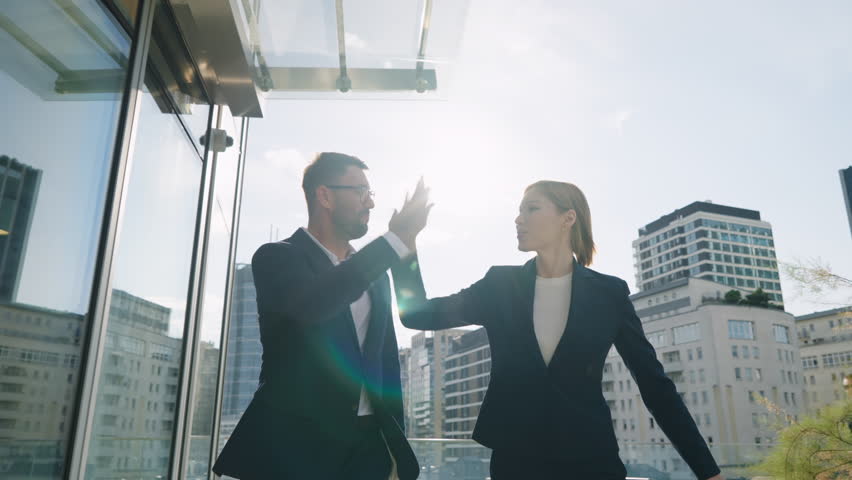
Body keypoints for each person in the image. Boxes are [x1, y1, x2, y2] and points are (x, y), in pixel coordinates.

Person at [391, 180, 724, 480]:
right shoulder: (499, 286)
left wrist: (707, 473)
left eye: (531, 209)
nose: (518, 219)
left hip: (592, 461)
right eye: (519, 211)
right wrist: (405, 242)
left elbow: (655, 386)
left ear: (568, 218)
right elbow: (417, 314)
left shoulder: (609, 293)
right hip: (516, 461)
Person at [214, 153, 431, 480]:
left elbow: (413, 317)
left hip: (369, 446)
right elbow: (315, 305)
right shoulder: (277, 257)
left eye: (371, 194)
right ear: (324, 195)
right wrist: (392, 241)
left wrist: (406, 244)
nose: (369, 204)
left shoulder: (374, 274)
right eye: (360, 191)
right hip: (296, 445)